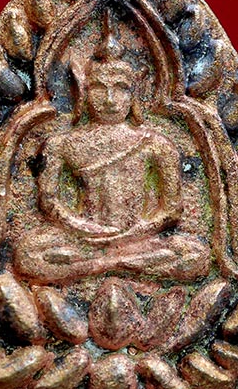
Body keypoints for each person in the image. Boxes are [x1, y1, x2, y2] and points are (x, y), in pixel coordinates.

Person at [13, 18, 210, 284]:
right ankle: (117, 264)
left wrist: (135, 232)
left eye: (120, 89)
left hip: (138, 240)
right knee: (27, 253)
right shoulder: (61, 144)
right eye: (99, 89)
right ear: (83, 92)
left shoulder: (157, 144)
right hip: (85, 239)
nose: (109, 100)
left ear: (135, 93)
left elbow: (172, 210)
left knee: (197, 255)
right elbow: (49, 203)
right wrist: (82, 227)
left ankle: (105, 264)